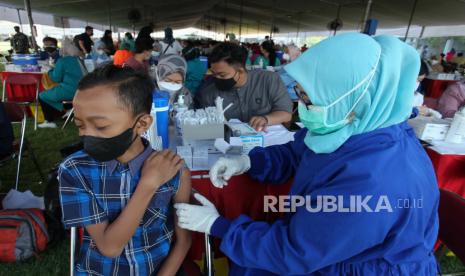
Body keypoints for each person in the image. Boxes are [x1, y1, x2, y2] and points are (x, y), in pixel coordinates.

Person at [175, 33, 439, 275]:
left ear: (356, 99)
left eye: (310, 99)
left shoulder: (373, 181)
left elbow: (295, 252)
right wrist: (247, 161)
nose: (301, 109)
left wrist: (218, 226)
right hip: (330, 249)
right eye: (299, 95)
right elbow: (299, 151)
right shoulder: (359, 127)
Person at [59, 65, 191, 275]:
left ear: (142, 124)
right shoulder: (76, 170)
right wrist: (148, 184)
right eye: (80, 125)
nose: (88, 136)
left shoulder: (175, 170)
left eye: (101, 127)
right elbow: (109, 247)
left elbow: (184, 240)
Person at [196, 43, 292, 131]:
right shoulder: (208, 90)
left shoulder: (269, 80)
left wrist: (265, 119)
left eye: (222, 75)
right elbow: (203, 126)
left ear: (241, 71)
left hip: (266, 141)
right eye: (214, 74)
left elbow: (286, 114)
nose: (217, 78)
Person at [38, 39, 85, 128]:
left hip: (70, 90)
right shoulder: (79, 59)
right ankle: (69, 109)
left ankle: (49, 121)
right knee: (53, 93)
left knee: (42, 96)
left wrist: (49, 71)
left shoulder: (62, 61)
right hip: (83, 90)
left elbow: (56, 78)